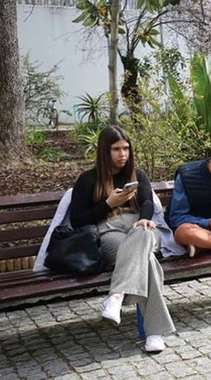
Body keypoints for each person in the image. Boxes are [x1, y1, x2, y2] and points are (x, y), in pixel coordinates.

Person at [69, 126, 175, 353]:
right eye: (116, 149)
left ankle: (116, 296)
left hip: (141, 229)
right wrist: (108, 204)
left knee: (143, 236)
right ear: (104, 151)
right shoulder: (88, 180)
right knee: (147, 263)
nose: (122, 154)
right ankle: (154, 332)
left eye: (126, 148)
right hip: (110, 233)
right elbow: (77, 220)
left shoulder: (138, 175)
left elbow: (147, 202)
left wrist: (145, 219)